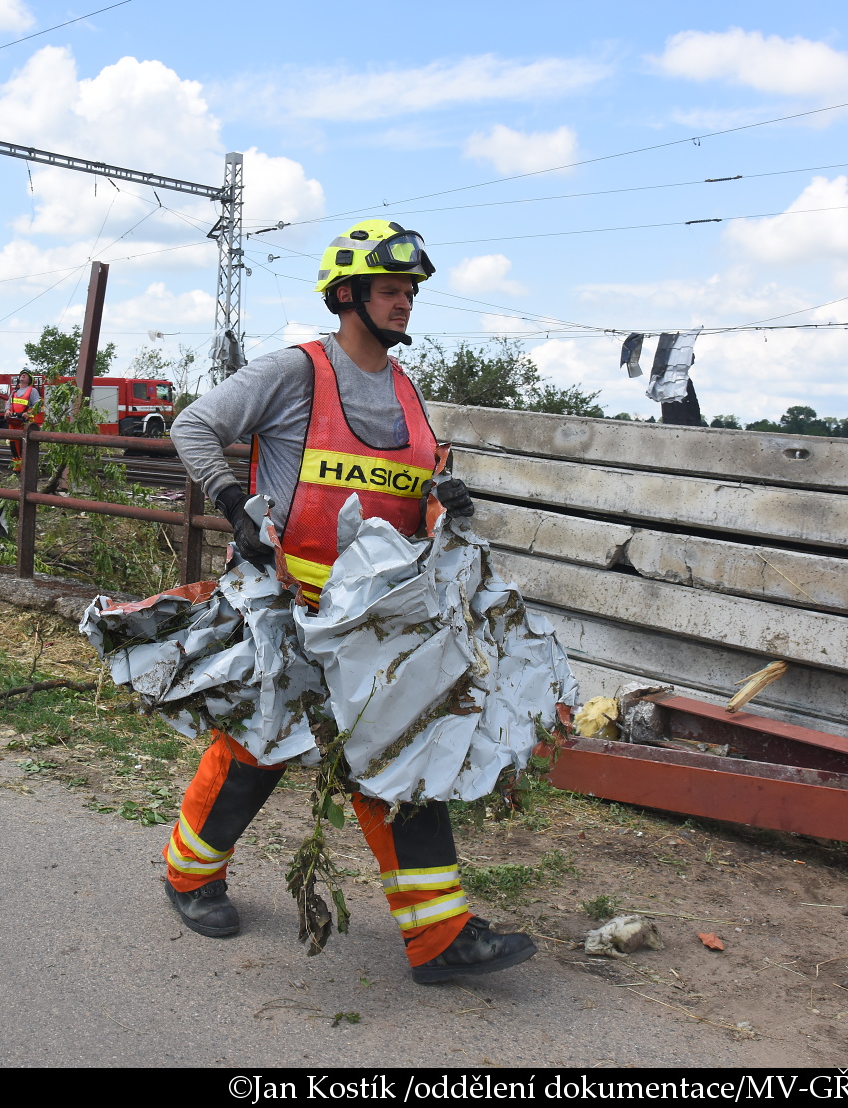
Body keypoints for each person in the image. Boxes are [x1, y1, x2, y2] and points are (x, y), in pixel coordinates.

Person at [166, 219, 538, 984]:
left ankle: (439, 939)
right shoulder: (294, 373)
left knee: (395, 757)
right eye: (392, 290)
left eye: (410, 291)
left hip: (374, 627)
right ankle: (188, 877)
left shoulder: (407, 391)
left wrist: (444, 508)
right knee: (254, 750)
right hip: (289, 608)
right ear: (347, 296)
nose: (406, 303)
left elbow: (411, 495)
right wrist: (236, 501)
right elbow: (194, 425)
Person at [5, 372, 41, 472]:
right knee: (13, 444)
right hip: (13, 421)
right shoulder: (14, 392)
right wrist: (7, 411)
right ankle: (18, 466)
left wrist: (29, 413)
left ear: (29, 380)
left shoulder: (32, 390)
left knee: (24, 445)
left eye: (26, 375)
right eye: (22, 374)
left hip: (25, 422)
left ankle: (26, 467)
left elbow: (38, 405)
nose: (23, 375)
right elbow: (8, 404)